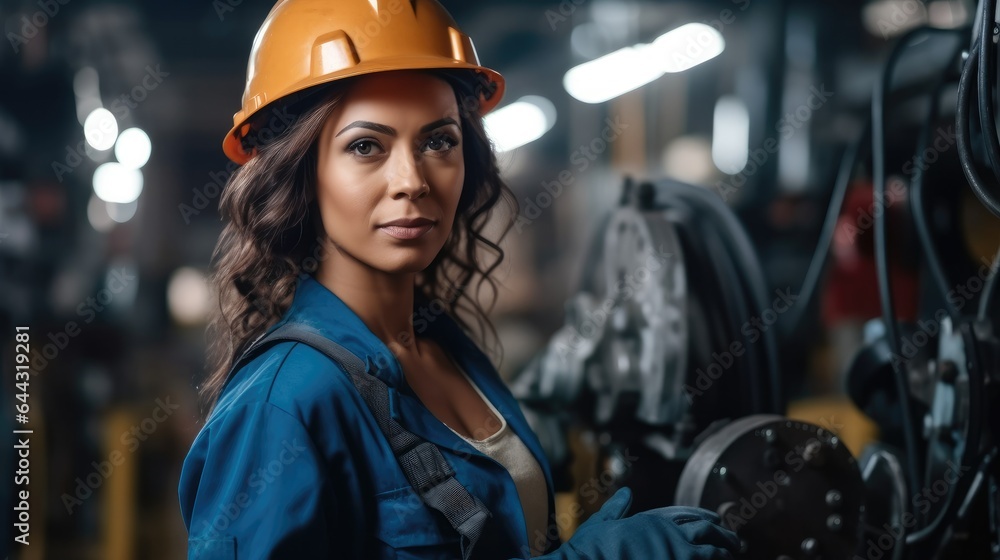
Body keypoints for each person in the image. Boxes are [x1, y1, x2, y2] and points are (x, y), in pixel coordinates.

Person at [178, 1, 741, 558]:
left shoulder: (449, 350)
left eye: (438, 141)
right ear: (301, 172)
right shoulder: (285, 405)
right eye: (366, 146)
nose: (412, 180)